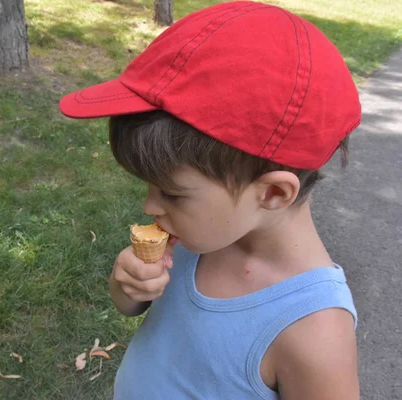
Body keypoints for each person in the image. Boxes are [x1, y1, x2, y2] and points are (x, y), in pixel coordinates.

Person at [59, 1, 361, 399]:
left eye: (172, 193)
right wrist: (130, 286)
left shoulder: (314, 334)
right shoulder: (201, 237)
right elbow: (137, 309)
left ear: (271, 193)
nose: (150, 207)